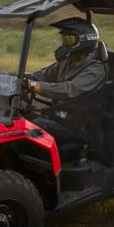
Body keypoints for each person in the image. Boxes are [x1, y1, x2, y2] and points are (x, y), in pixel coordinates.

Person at [24, 17, 106, 152]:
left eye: (69, 40)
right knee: (16, 120)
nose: (64, 45)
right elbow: (45, 74)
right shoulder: (66, 62)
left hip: (76, 125)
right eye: (64, 40)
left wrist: (33, 85)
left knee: (29, 129)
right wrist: (22, 78)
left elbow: (69, 90)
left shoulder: (95, 70)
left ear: (84, 41)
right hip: (58, 117)